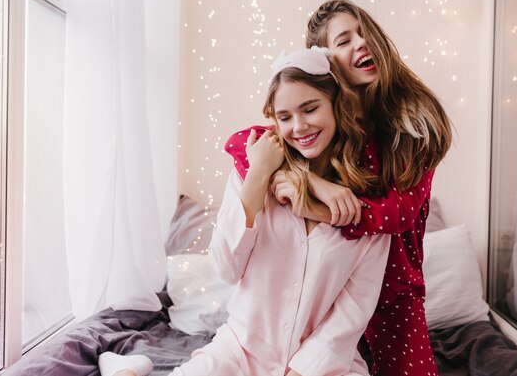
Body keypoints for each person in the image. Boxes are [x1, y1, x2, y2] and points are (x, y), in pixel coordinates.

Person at [98, 48, 392, 376]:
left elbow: (353, 311)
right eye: (285, 117)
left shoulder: (371, 203)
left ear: (337, 105)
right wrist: (257, 176)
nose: (299, 126)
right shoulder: (250, 176)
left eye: (310, 109)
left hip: (324, 366)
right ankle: (126, 369)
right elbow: (226, 268)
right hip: (239, 350)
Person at [225, 0, 453, 376]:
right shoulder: (323, 122)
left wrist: (317, 207)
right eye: (345, 40)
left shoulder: (415, 122)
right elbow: (242, 144)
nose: (361, 44)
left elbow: (397, 214)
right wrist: (312, 180)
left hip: (392, 294)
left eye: (365, 34)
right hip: (327, 294)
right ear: (327, 62)